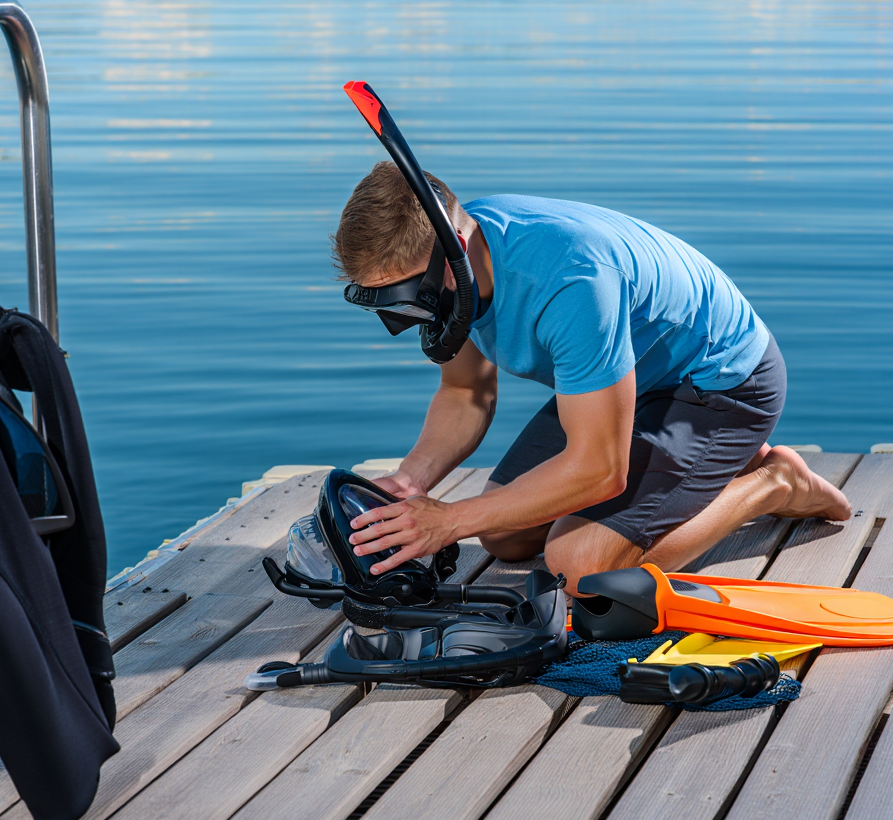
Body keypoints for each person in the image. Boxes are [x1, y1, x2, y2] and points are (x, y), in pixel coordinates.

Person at [333, 162, 851, 593]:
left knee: (582, 568)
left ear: (457, 254)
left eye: (408, 302)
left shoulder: (571, 279)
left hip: (718, 384)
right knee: (504, 536)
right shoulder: (454, 267)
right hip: (624, 381)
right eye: (387, 307)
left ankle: (774, 481)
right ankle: (702, 469)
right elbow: (465, 389)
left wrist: (448, 521)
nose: (404, 321)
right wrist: (411, 481)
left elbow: (602, 470)